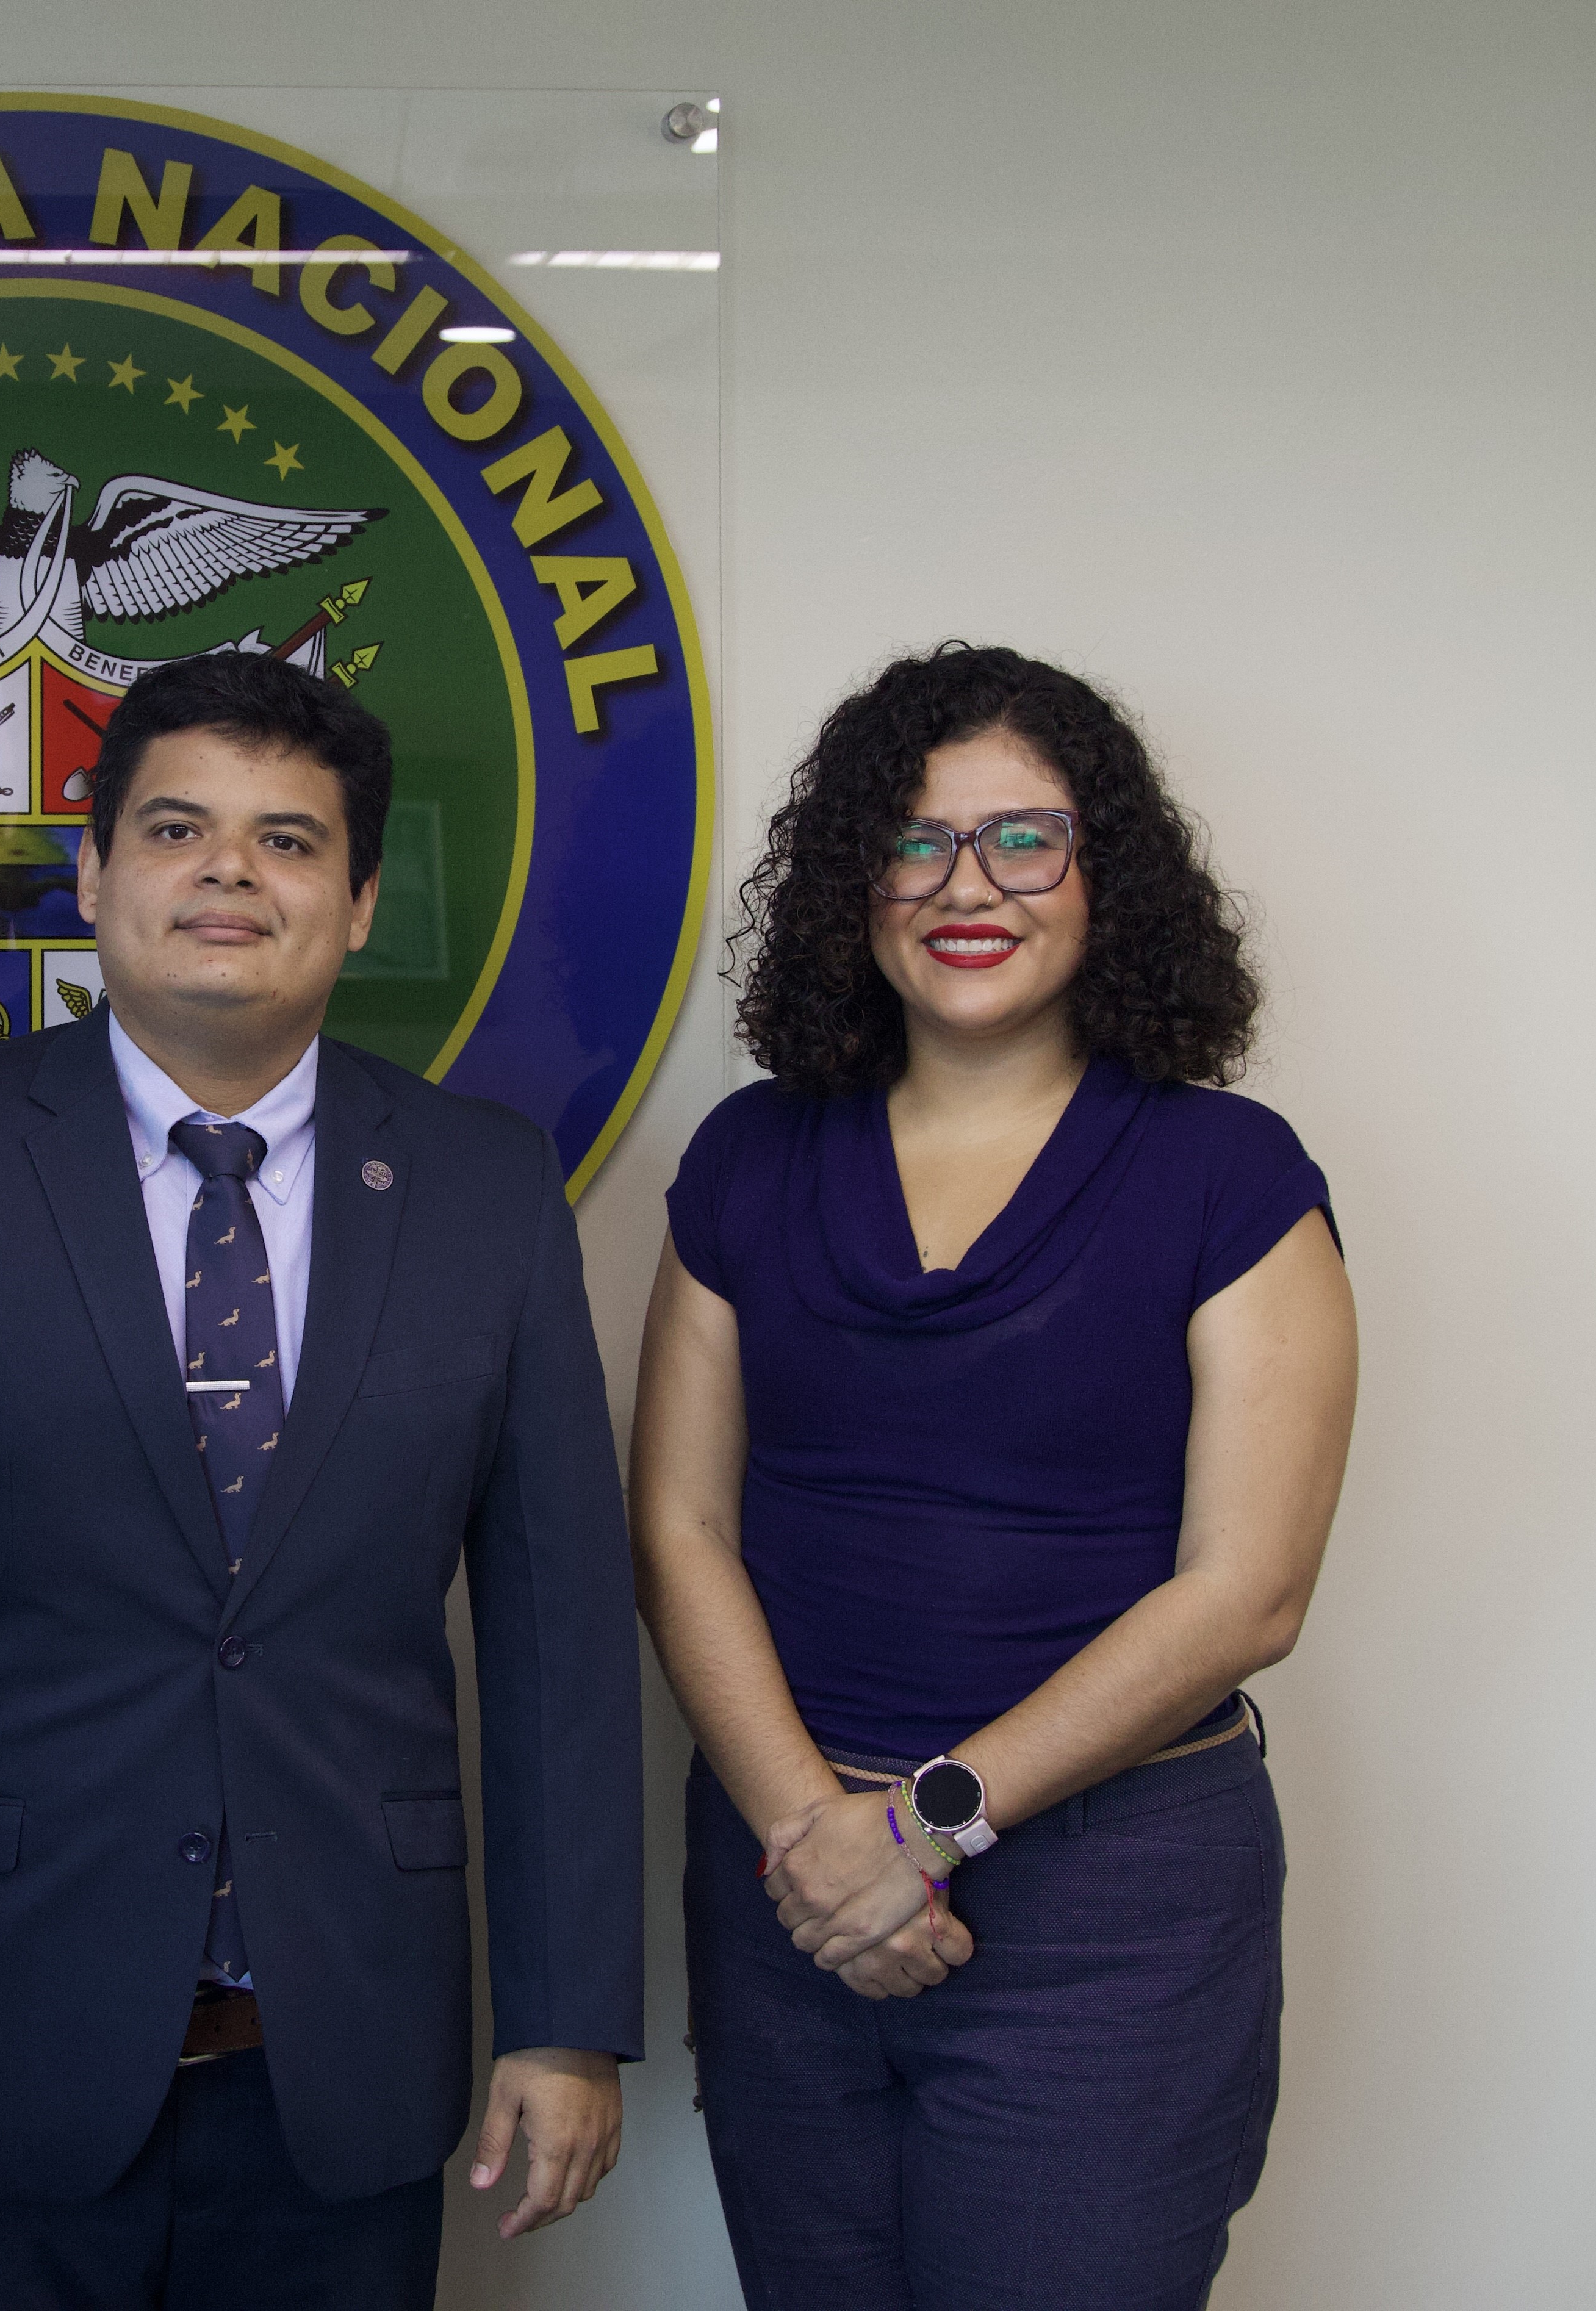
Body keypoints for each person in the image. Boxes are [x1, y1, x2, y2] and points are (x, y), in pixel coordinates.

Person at [0, 649, 644, 2309]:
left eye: (290, 839)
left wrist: (568, 2018)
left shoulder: (489, 1191)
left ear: (357, 903)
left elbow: (560, 1639)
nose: (230, 869)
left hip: (339, 2073)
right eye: (177, 827)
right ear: (92, 875)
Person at [630, 644, 1356, 2310]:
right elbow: (677, 1528)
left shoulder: (1225, 1174)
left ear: (1108, 877)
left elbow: (1251, 1587)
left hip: (1113, 1903)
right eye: (914, 838)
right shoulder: (747, 1157)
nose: (969, 886)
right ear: (852, 882)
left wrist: (929, 1828)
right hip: (789, 1881)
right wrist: (825, 1839)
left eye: (1025, 839)